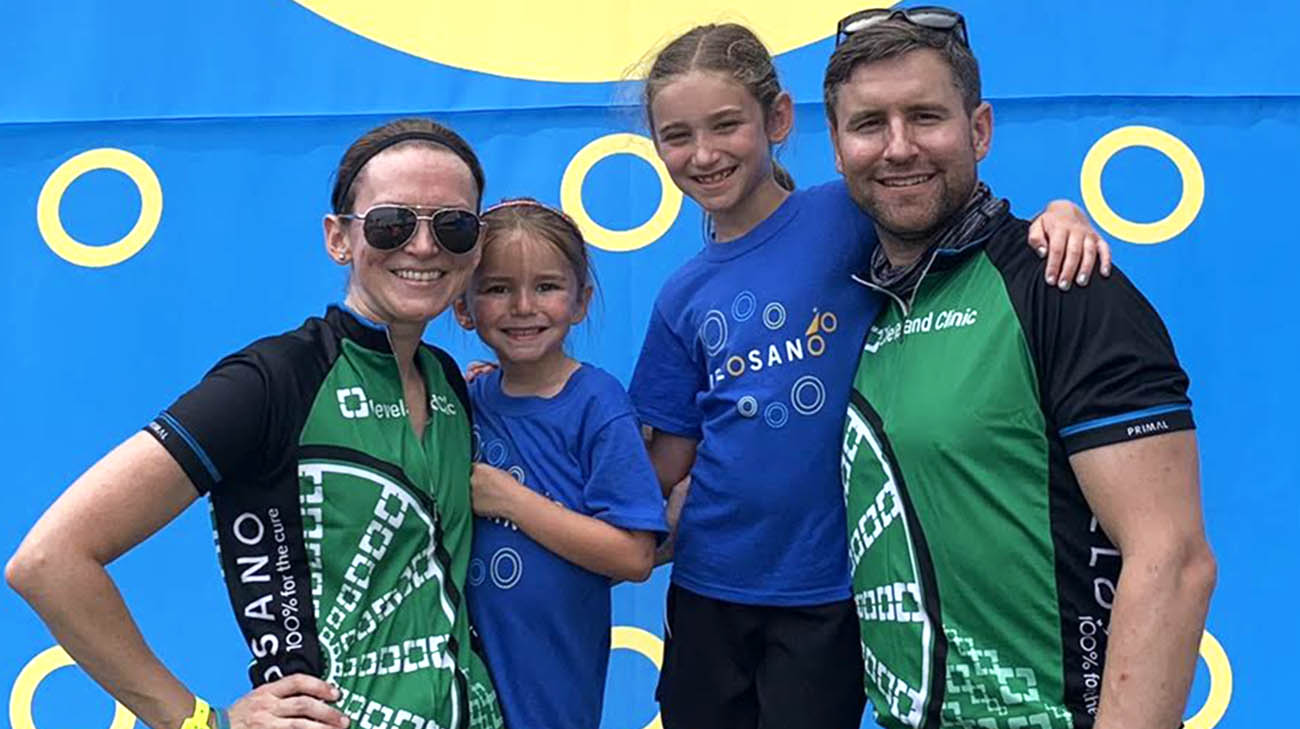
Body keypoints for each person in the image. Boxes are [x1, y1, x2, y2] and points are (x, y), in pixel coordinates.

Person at [629, 22, 1114, 729]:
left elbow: (963, 225)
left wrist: (1061, 217)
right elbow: (665, 461)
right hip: (708, 588)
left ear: (779, 118)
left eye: (725, 125)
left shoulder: (848, 213)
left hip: (833, 594)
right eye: (678, 135)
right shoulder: (680, 295)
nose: (703, 154)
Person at [6, 118, 505, 729]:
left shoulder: (451, 380)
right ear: (339, 239)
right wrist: (197, 721)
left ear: (476, 247)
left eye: (452, 226)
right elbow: (49, 561)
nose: (423, 247)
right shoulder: (272, 381)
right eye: (391, 223)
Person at [827, 8, 1217, 729]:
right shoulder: (851, 300)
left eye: (926, 116)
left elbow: (1175, 559)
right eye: (870, 123)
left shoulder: (1065, 283)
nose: (899, 147)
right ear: (837, 144)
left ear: (979, 130)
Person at [450, 198, 666, 729]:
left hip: (553, 676)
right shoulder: (464, 399)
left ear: (581, 301)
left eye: (546, 287)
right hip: (465, 677)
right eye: (498, 289)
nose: (523, 306)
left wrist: (509, 500)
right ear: (464, 307)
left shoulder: (597, 403)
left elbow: (635, 555)